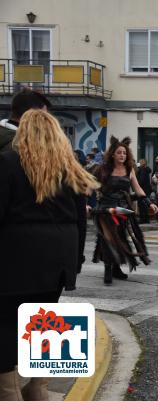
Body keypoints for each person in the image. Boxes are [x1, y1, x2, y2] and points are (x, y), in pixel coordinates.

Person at [0, 109, 96, 400]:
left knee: (5, 323)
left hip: (17, 255)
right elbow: (81, 219)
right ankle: (39, 388)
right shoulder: (69, 167)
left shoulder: (7, 162)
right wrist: (75, 262)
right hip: (60, 257)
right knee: (45, 321)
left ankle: (9, 391)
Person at [93, 136, 158, 285]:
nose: (122, 155)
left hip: (123, 210)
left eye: (124, 153)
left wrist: (149, 203)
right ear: (112, 155)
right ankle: (108, 270)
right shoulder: (103, 170)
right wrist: (85, 202)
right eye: (119, 152)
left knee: (120, 239)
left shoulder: (129, 170)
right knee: (108, 239)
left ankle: (116, 268)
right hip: (105, 210)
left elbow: (138, 189)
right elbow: (89, 186)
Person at [0, 88, 52, 152]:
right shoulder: (23, 147)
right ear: (32, 114)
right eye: (44, 116)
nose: (46, 121)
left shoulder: (7, 136)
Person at [136, 159, 153, 224]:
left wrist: (136, 185)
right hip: (146, 189)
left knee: (142, 204)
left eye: (140, 162)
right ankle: (146, 219)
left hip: (143, 190)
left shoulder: (143, 170)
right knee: (145, 204)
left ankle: (143, 219)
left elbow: (141, 181)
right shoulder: (145, 170)